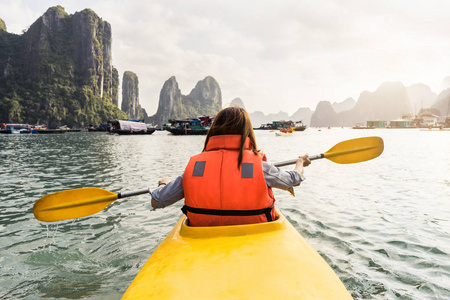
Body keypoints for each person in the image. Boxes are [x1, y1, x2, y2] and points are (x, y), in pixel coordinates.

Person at [151, 106, 310, 226]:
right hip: (254, 233)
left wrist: (163, 183)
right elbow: (294, 180)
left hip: (203, 237)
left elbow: (157, 201)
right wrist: (300, 162)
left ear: (213, 130)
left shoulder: (195, 167)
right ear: (247, 131)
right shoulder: (259, 166)